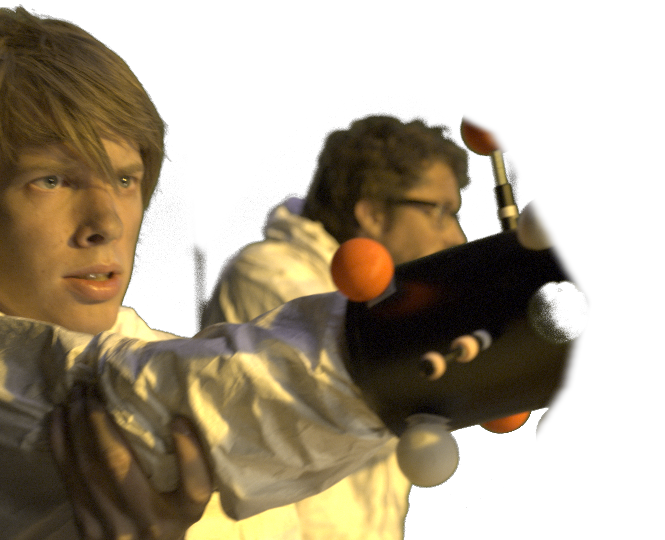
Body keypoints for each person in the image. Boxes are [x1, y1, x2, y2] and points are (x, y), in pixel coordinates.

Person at [0, 6, 575, 540]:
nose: (107, 220)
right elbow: (134, 404)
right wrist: (499, 311)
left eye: (124, 178)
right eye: (51, 178)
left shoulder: (153, 353)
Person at [196, 114, 470, 539]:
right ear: (373, 214)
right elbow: (354, 374)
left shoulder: (382, 307)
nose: (457, 237)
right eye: (440, 212)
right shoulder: (266, 271)